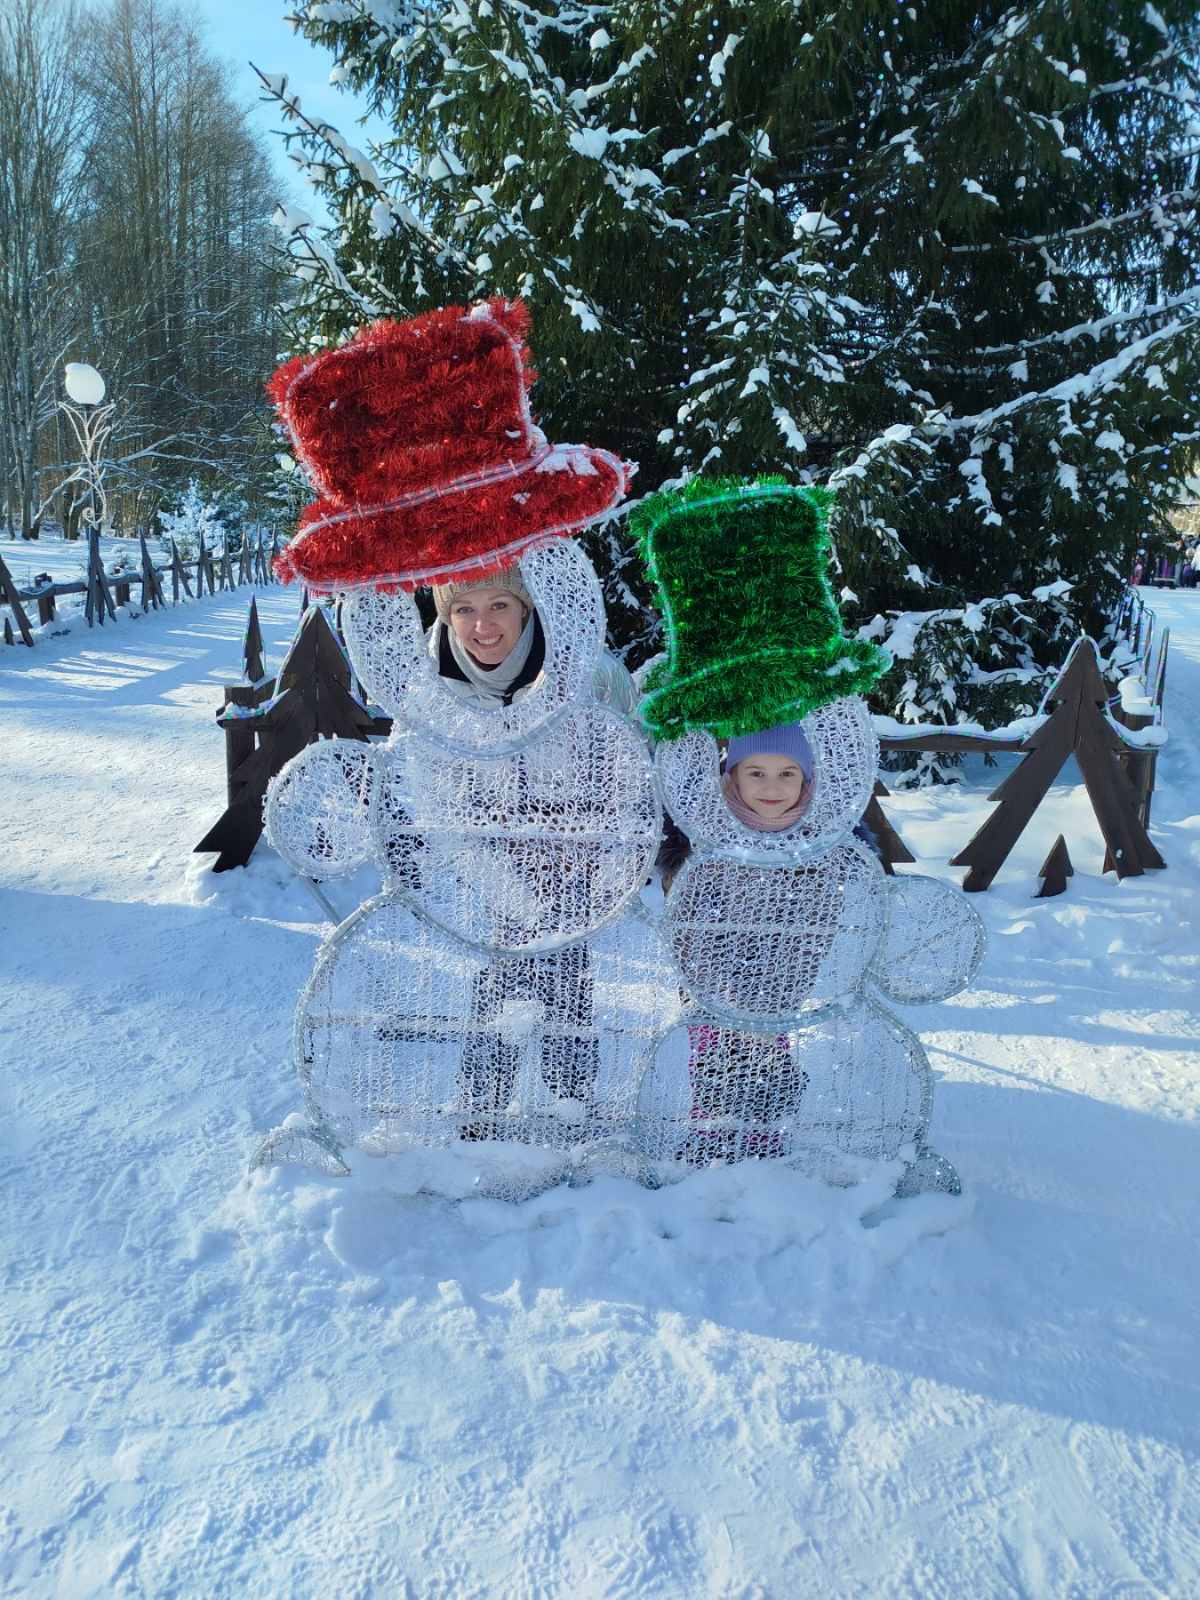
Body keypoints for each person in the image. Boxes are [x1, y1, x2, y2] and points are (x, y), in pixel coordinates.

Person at [427, 566, 637, 1139]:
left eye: (499, 604)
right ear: (447, 615)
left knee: (568, 983)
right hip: (487, 873)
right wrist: (506, 886)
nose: (482, 625)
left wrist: (602, 866)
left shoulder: (587, 676)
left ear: (526, 608)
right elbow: (433, 799)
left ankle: (570, 1108)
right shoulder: (434, 690)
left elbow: (632, 770)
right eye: (464, 609)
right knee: (498, 982)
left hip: (575, 867)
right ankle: (483, 1112)